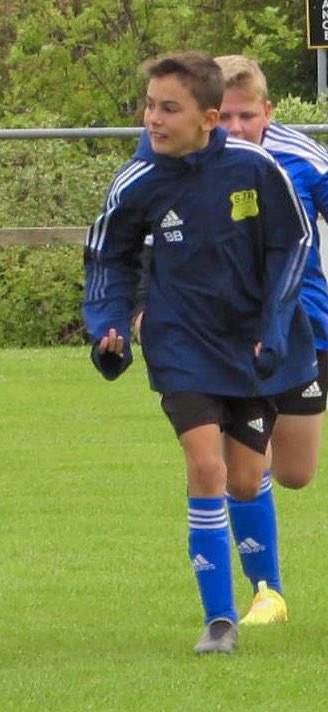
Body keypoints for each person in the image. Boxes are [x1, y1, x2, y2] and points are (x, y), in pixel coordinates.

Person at [83, 51, 315, 654]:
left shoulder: (257, 168)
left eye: (168, 108)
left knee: (248, 478)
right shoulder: (138, 179)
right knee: (205, 466)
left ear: (208, 117)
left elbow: (291, 246)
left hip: (252, 347)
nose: (151, 118)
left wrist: (272, 324)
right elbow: (110, 256)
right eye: (150, 105)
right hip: (180, 344)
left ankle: (268, 588)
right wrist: (106, 324)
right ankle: (220, 620)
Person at [211, 54, 328, 625]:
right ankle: (267, 593)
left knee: (296, 473)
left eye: (245, 116)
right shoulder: (186, 161)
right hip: (230, 339)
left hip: (306, 329)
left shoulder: (302, 158)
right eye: (223, 117)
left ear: (268, 112)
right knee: (242, 469)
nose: (234, 130)